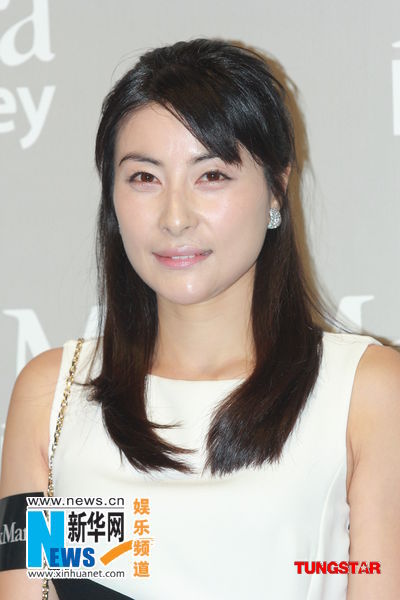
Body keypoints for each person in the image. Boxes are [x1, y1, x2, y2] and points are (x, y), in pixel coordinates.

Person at [0, 37, 399, 600]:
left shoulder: (365, 392)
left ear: (277, 188)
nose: (175, 217)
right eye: (145, 178)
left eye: (211, 175)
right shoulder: (53, 395)